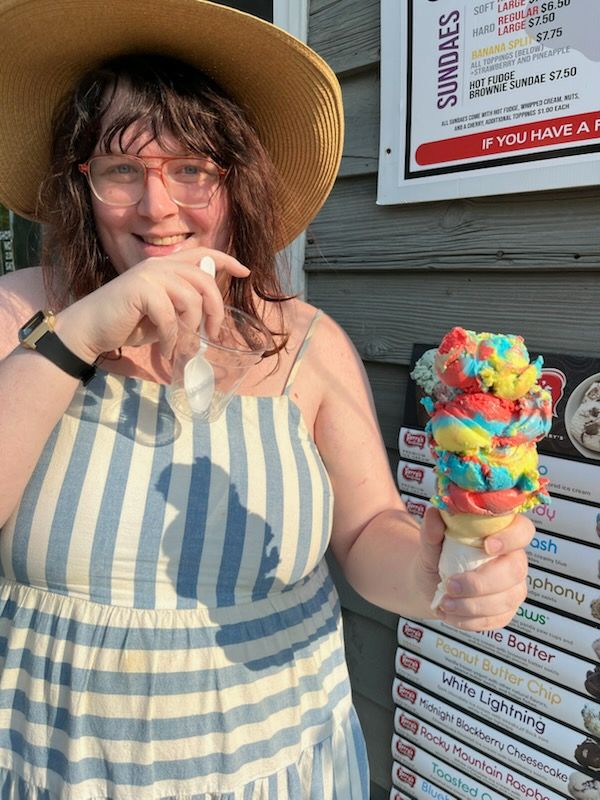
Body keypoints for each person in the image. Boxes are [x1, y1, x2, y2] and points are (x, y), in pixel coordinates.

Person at [0, 0, 535, 797]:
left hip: (283, 762)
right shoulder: (16, 316)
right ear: (82, 184)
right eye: (122, 171)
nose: (156, 208)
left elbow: (366, 536)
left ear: (235, 180)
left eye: (191, 169)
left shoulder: (307, 342)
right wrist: (78, 334)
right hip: (64, 765)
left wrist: (437, 575)